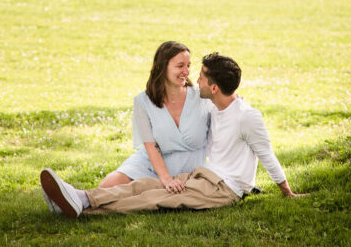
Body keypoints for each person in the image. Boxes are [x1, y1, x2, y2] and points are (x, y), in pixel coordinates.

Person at [39, 52, 303, 217]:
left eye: (200, 76)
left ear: (213, 87)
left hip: (225, 188)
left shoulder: (247, 116)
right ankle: (81, 197)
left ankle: (83, 207)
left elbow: (266, 154)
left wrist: (287, 192)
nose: (194, 79)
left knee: (155, 198)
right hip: (205, 176)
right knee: (146, 185)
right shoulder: (215, 106)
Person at [41, 40, 212, 214]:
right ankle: (72, 200)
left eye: (189, 65)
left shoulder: (202, 97)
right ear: (162, 67)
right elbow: (150, 146)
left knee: (132, 197)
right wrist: (166, 179)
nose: (186, 71)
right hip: (150, 162)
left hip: (186, 165)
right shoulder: (143, 101)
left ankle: (73, 200)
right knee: (107, 186)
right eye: (180, 66)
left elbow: (226, 106)